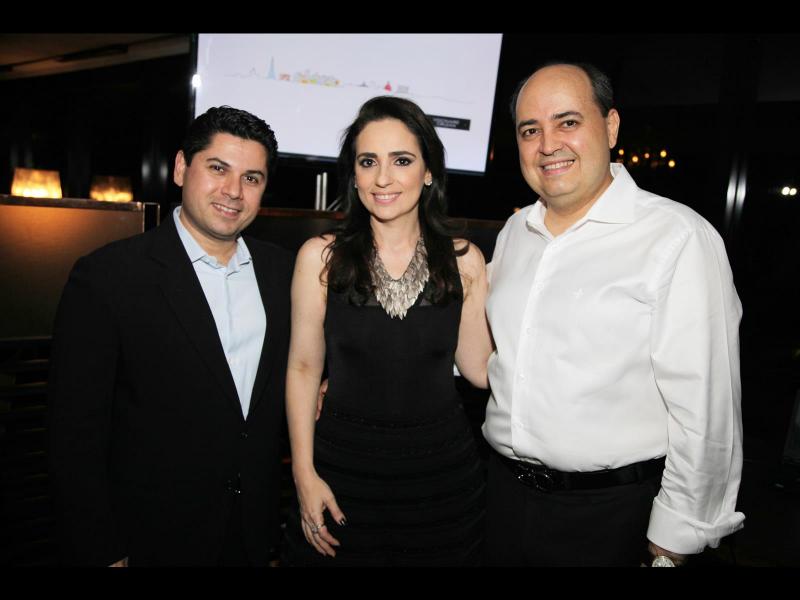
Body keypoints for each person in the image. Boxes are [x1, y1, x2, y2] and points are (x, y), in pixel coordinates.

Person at [483, 62, 744, 567]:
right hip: (504, 498)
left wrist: (677, 536)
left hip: (612, 516)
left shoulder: (677, 237)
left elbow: (707, 406)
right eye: (530, 130)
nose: (548, 144)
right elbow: (499, 357)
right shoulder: (515, 233)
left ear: (611, 126)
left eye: (568, 122)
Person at [47, 106, 293, 566]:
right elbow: (74, 433)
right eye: (217, 168)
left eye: (252, 178)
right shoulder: (108, 276)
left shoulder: (281, 270)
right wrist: (101, 550)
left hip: (253, 535)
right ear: (181, 168)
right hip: (150, 538)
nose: (234, 191)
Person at [283, 96, 493, 566]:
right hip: (341, 473)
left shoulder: (465, 261)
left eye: (401, 160)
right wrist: (303, 474)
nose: (382, 178)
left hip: (441, 481)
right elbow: (302, 368)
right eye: (368, 162)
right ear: (354, 175)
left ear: (428, 171)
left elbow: (479, 369)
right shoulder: (320, 258)